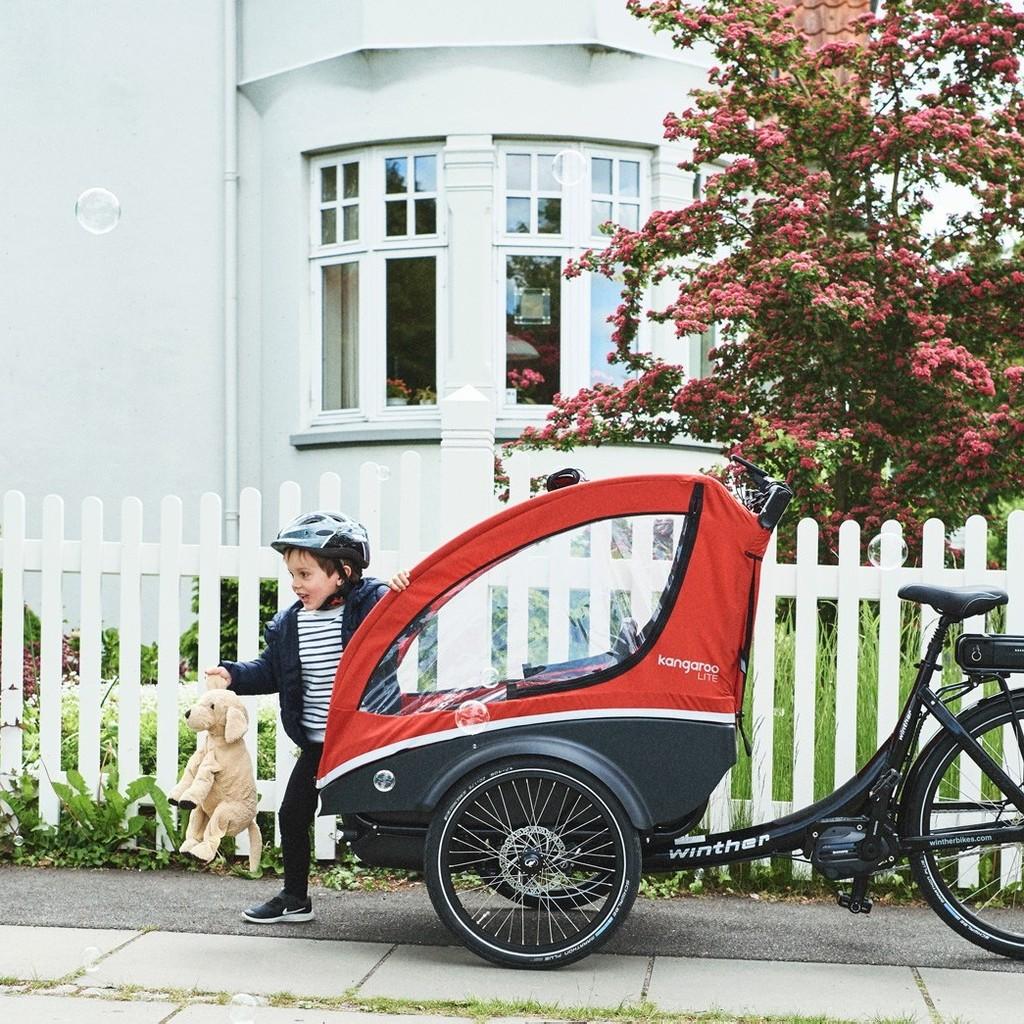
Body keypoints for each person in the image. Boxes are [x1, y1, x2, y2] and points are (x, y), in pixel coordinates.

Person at [205, 510, 409, 924]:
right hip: (320, 743)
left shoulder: (368, 605)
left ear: (342, 572)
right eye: (292, 575)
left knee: (387, 816)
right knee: (292, 813)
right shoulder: (290, 624)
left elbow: (400, 621)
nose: (296, 584)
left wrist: (400, 590)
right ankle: (295, 897)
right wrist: (234, 675)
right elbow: (271, 671)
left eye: (305, 573)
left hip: (366, 736)